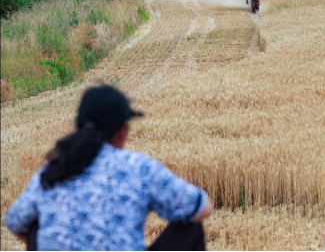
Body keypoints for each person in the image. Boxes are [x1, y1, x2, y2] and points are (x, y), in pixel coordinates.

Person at [5, 85, 212, 251]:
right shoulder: (139, 167)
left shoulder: (55, 168)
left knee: (35, 226)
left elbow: (15, 223)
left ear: (78, 126)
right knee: (190, 226)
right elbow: (201, 207)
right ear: (122, 131)